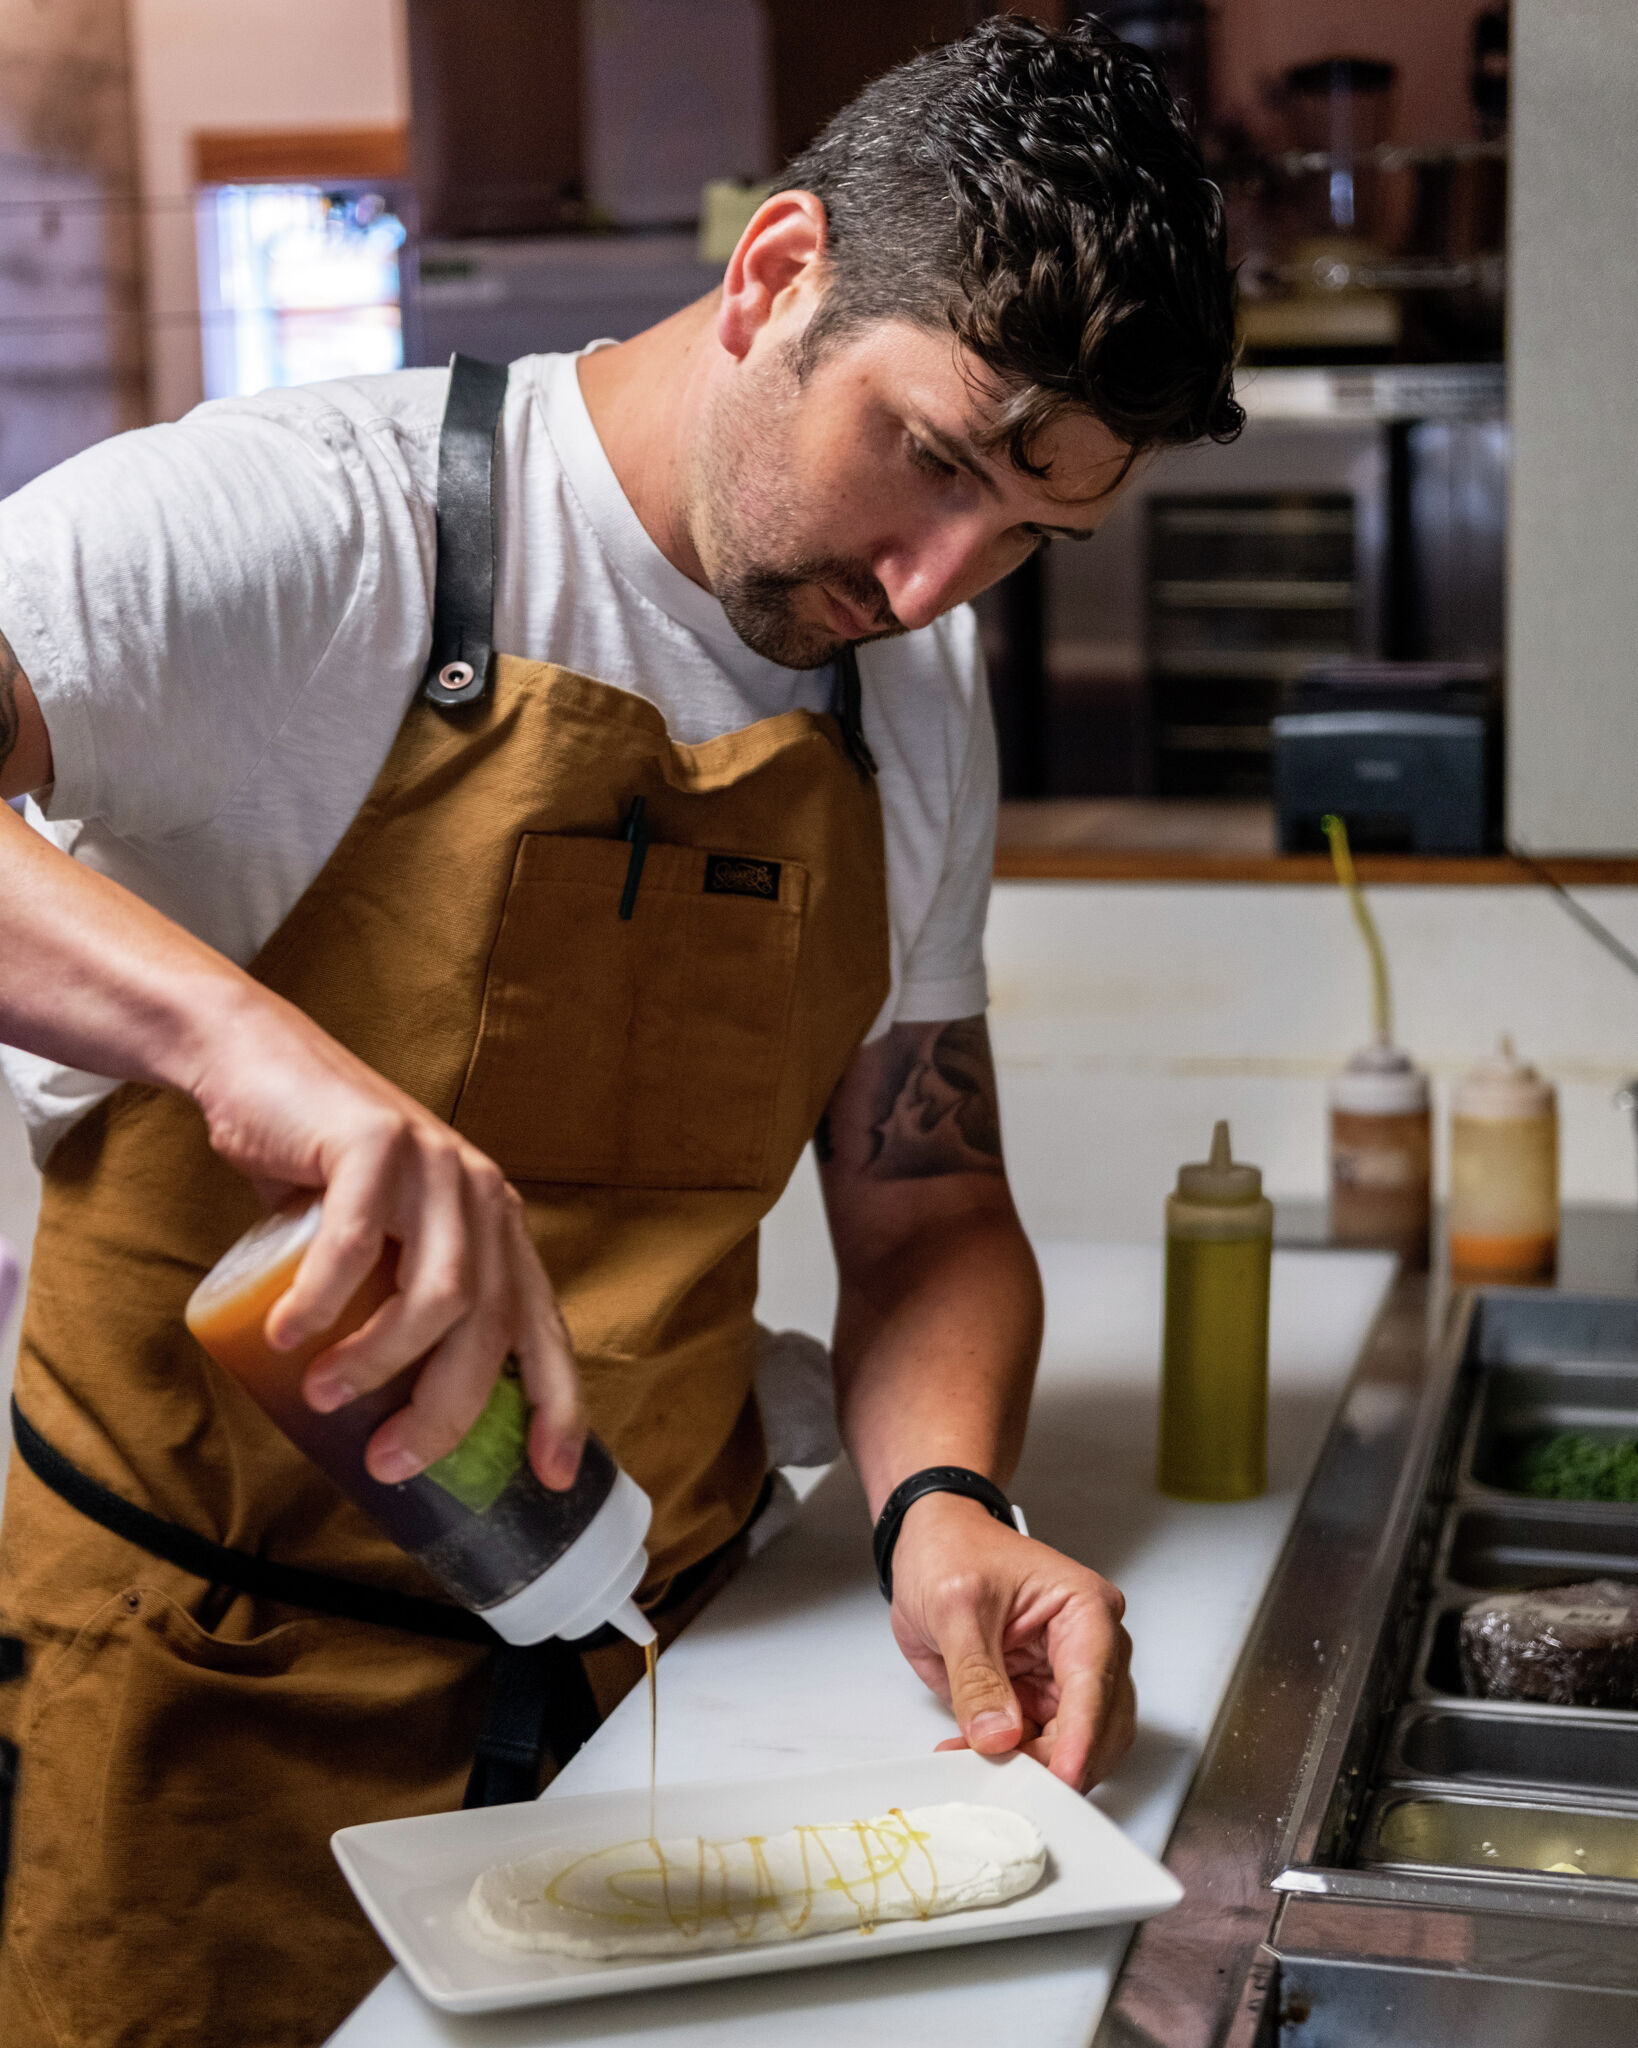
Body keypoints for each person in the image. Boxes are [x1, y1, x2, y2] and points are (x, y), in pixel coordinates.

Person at [0, 16, 1239, 2043]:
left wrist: (942, 1510)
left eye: (1031, 534)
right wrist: (253, 1049)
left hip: (655, 1684)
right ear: (774, 274)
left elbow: (923, 1201)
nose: (941, 581)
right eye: (934, 455)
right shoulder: (312, 526)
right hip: (209, 1708)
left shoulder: (909, 700)